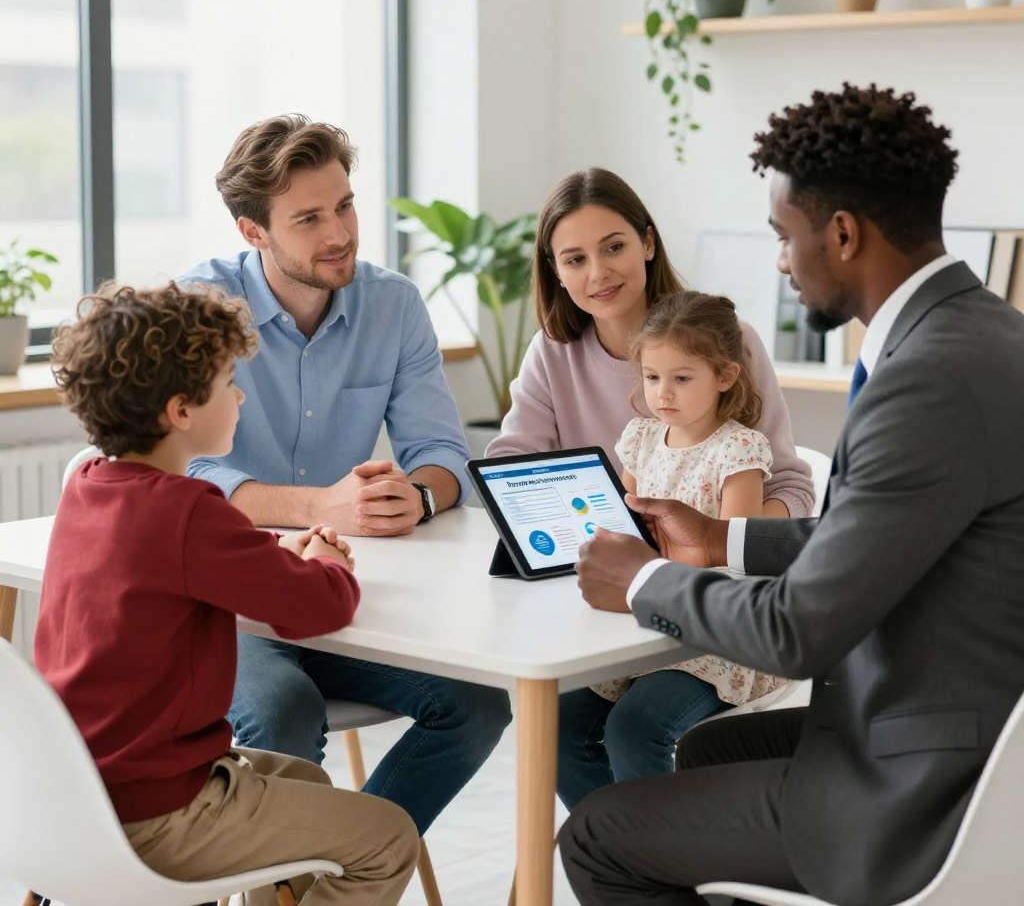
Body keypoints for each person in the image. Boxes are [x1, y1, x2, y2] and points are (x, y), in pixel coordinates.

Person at [559, 83, 1024, 906]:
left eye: (784, 236)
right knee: (705, 754)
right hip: (960, 723)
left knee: (597, 835)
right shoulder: (986, 334)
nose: (778, 261)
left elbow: (799, 631)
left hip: (926, 786)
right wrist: (718, 539)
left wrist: (643, 580)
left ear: (842, 234)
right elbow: (882, 530)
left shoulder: (925, 380)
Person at [179, 114, 511, 835]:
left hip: (345, 596)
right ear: (253, 232)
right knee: (280, 710)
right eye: (309, 218)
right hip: (230, 611)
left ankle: (344, 875)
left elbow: (446, 454)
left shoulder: (391, 305)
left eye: (345, 205)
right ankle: (313, 876)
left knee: (478, 703)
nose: (340, 234)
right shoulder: (201, 308)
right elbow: (182, 472)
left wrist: (416, 497)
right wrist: (317, 505)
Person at [36, 282, 419, 906]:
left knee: (306, 779)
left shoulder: (87, 485)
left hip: (83, 793)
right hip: (160, 811)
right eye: (228, 383)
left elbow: (189, 567)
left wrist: (272, 558)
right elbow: (320, 607)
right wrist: (325, 560)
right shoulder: (188, 510)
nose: (240, 396)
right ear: (181, 411)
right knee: (388, 840)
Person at [486, 166, 813, 809]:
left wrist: (719, 535)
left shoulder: (728, 342)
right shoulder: (554, 354)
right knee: (557, 723)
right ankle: (626, 864)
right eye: (574, 259)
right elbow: (512, 464)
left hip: (712, 614)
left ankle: (646, 866)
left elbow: (795, 486)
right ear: (555, 272)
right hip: (613, 607)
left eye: (613, 247)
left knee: (635, 727)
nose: (598, 273)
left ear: (648, 243)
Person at [585, 289, 780, 783]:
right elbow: (621, 526)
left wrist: (651, 572)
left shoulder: (739, 450)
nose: (662, 393)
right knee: (561, 713)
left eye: (681, 378)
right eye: (652, 377)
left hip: (712, 640)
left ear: (725, 376)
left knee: (634, 728)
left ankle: (655, 850)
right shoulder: (641, 438)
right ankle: (615, 842)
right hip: (642, 624)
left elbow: (735, 567)